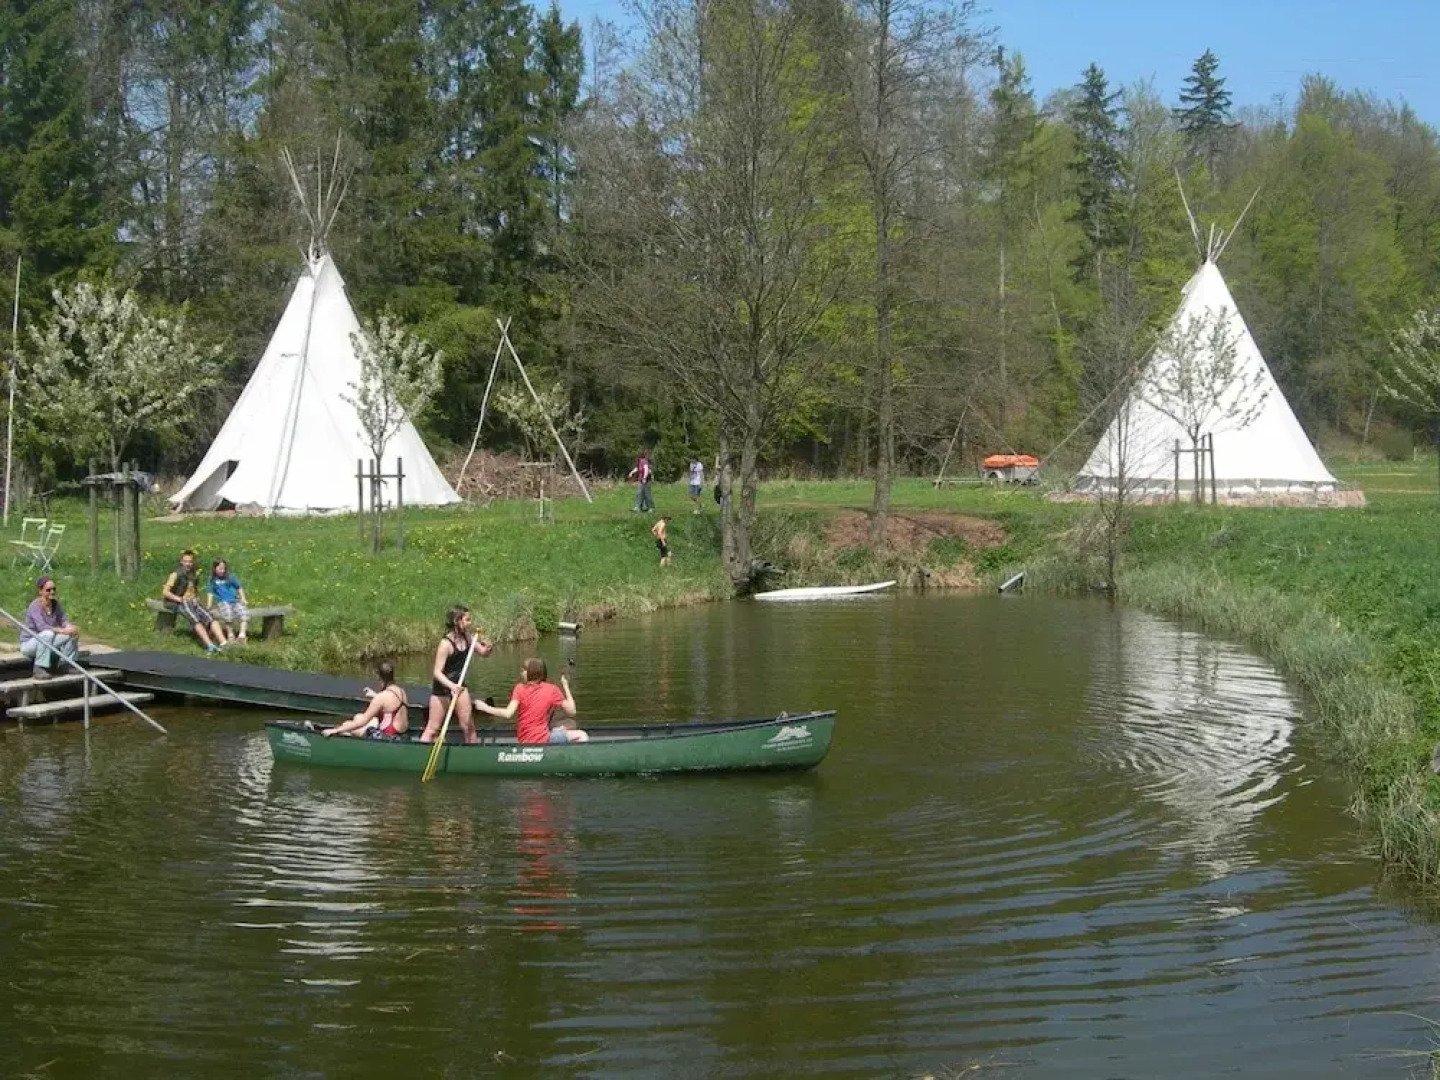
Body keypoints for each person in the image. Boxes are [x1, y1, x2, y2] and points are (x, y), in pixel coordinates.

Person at [419, 605, 494, 745]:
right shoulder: (445, 644)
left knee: (468, 726)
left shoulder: (468, 637)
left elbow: (483, 653)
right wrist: (451, 686)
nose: (470, 623)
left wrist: (489, 648)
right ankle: (420, 750)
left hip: (460, 686)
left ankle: (473, 752)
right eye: (467, 620)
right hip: (443, 687)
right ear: (456, 621)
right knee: (433, 728)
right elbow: (437, 672)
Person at [477, 657, 582, 745]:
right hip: (543, 740)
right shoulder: (552, 689)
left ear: (532, 672)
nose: (521, 673)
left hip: (524, 740)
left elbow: (508, 713)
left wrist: (485, 708)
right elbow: (572, 711)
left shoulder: (519, 688)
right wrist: (565, 686)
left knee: (571, 724)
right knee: (581, 735)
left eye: (523, 670)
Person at [324, 659, 409, 739]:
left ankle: (349, 738)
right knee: (358, 716)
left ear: (379, 677)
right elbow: (391, 703)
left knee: (347, 725)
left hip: (387, 737)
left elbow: (362, 722)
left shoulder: (380, 698)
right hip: (401, 734)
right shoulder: (401, 692)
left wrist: (336, 730)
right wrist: (375, 695)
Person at [162, 549, 228, 653]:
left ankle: (224, 642)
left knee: (210, 618)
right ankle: (210, 645)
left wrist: (196, 598)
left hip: (194, 600)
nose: (188, 564)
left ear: (193, 562)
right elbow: (165, 592)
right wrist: (179, 599)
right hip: (181, 601)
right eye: (185, 561)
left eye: (190, 562)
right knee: (195, 619)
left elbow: (193, 589)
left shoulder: (193, 574)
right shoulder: (176, 574)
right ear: (181, 562)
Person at [20, 577, 79, 679]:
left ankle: (67, 664)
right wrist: (63, 630)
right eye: (48, 590)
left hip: (47, 640)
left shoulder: (56, 604)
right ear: (40, 591)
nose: (52, 592)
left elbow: (63, 620)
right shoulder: (35, 606)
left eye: (54, 589)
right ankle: (39, 668)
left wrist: (70, 628)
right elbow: (42, 627)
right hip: (29, 644)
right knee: (48, 633)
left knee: (71, 634)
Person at [207, 559, 250, 643]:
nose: (222, 571)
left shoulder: (230, 577)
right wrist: (209, 604)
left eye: (224, 568)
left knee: (244, 613)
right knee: (228, 614)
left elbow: (239, 587)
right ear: (215, 568)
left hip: (235, 600)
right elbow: (210, 592)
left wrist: (243, 598)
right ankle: (230, 634)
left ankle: (242, 635)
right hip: (223, 601)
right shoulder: (212, 580)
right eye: (220, 569)